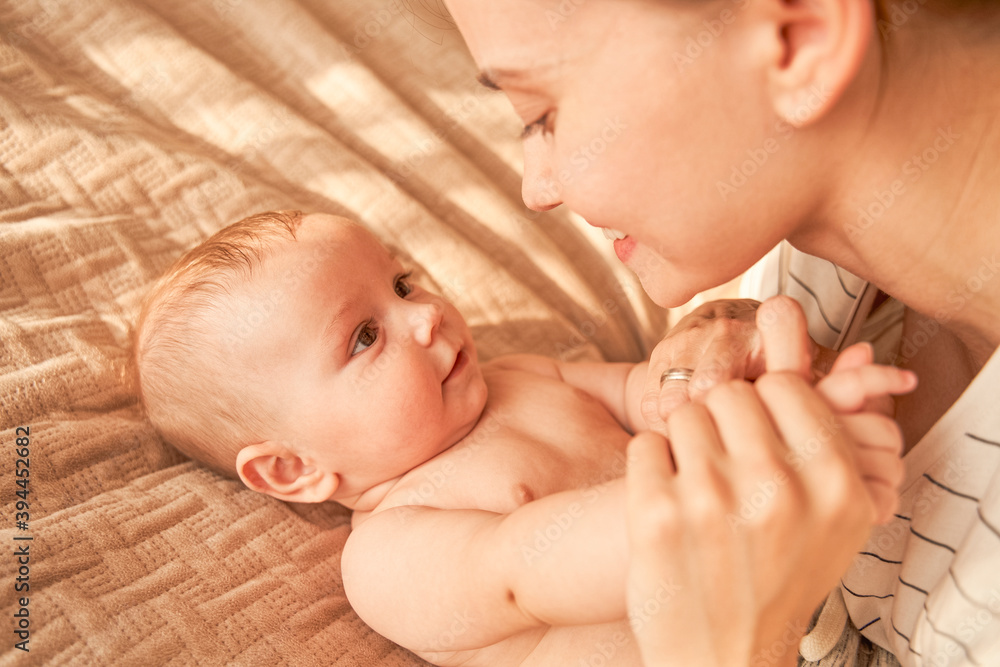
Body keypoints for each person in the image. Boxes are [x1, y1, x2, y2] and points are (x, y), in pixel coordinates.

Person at [441, 0, 1000, 665]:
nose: (539, 188)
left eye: (541, 116)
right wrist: (716, 329)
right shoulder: (816, 242)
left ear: (801, 40)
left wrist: (734, 647)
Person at [133, 210, 912, 666]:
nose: (425, 313)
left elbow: (646, 393)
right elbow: (528, 566)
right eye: (366, 335)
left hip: (798, 603)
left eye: (402, 282)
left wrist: (743, 392)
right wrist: (727, 487)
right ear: (293, 467)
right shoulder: (393, 550)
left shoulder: (520, 375)